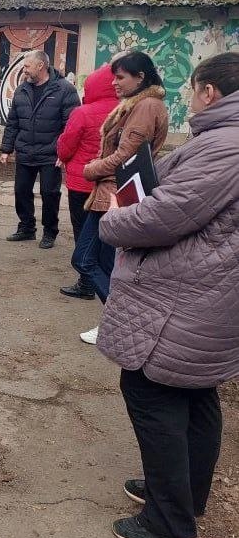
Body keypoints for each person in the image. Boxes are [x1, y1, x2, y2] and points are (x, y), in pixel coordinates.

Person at [96, 52, 239, 538]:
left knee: (151, 391)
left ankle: (169, 522)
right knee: (195, 395)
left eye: (193, 88)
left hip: (184, 298)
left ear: (210, 93)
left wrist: (113, 218)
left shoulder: (225, 147)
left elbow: (166, 215)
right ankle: (181, 494)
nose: (188, 97)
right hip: (208, 294)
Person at [73, 51, 168, 345]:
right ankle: (117, 321)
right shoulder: (137, 105)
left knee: (85, 259)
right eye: (114, 77)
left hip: (115, 194)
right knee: (105, 263)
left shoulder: (145, 107)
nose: (115, 83)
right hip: (110, 192)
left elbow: (127, 156)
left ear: (141, 77)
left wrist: (91, 169)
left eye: (121, 77)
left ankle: (119, 321)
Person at [0, 50, 81, 248]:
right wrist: (6, 148)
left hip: (51, 154)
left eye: (27, 66)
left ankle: (49, 232)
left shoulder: (64, 90)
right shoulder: (22, 90)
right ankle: (26, 228)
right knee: (21, 191)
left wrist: (64, 152)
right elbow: (13, 122)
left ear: (40, 66)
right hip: (25, 151)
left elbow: (70, 126)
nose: (24, 70)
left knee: (49, 194)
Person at [56, 62, 119, 299]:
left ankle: (87, 284)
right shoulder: (124, 111)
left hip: (82, 183)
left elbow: (66, 144)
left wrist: (62, 156)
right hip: (113, 186)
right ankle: (106, 277)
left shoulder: (83, 112)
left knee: (84, 234)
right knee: (108, 239)